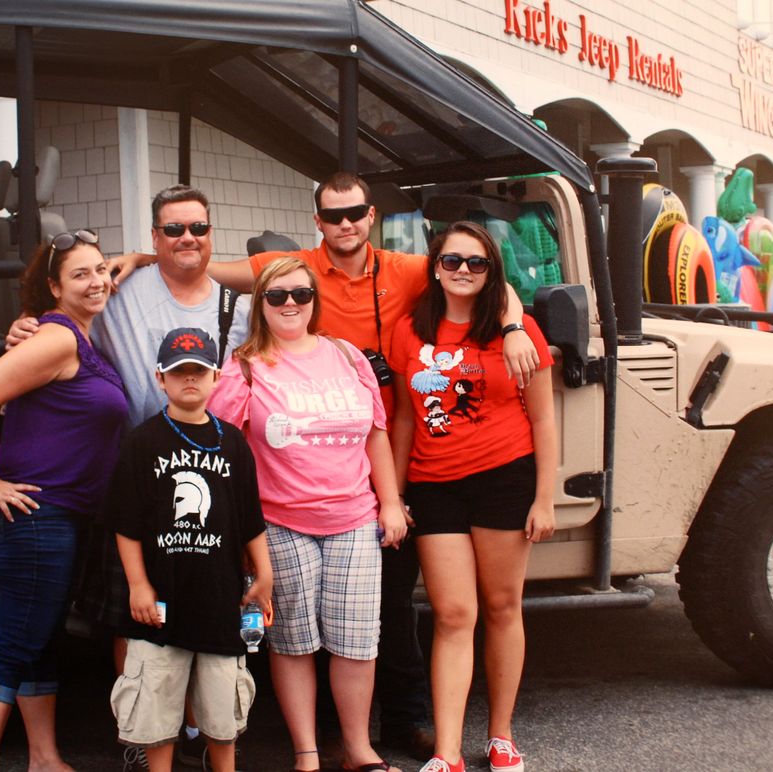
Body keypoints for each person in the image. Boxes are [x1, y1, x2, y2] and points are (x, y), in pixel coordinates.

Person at [112, 171, 541, 758]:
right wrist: (141, 255)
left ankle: (400, 727)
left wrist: (515, 324)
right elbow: (205, 269)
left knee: (385, 615)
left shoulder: (410, 270)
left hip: (380, 477)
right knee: (309, 633)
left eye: (355, 213)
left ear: (371, 217)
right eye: (333, 216)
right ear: (318, 222)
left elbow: (474, 272)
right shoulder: (285, 283)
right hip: (321, 497)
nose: (345, 224)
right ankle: (306, 745)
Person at [7, 185, 249, 768]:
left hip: (210, 476)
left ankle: (192, 729)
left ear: (211, 233)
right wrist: (27, 327)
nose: (186, 238)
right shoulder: (119, 289)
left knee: (203, 608)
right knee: (133, 614)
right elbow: (71, 304)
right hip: (140, 473)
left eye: (197, 227)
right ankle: (139, 737)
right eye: (172, 230)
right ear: (154, 237)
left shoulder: (235, 311)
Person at [208, 257, 407, 772]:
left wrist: (389, 502)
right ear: (260, 305)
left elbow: (377, 435)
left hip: (356, 518)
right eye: (276, 296)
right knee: (293, 640)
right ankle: (307, 753)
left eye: (300, 293)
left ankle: (358, 750)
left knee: (357, 641)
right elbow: (220, 450)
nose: (290, 303)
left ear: (315, 300)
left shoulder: (346, 356)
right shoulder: (245, 366)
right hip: (281, 522)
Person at [387, 221, 557, 772]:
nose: (463, 270)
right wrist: (394, 492)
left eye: (476, 263)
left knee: (504, 607)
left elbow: (545, 418)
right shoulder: (411, 331)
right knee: (453, 613)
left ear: (491, 272)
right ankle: (448, 752)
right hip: (435, 485)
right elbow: (406, 418)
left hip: (505, 478)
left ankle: (502, 736)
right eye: (453, 260)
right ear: (435, 266)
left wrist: (545, 499)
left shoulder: (516, 329)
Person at [0, 229, 127, 772]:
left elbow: (125, 267)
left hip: (63, 514)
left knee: (40, 636)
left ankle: (43, 758)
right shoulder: (57, 338)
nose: (97, 281)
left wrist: (141, 256)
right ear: (54, 287)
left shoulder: (77, 335)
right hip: (36, 513)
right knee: (16, 640)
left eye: (101, 269)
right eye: (80, 274)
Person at [105, 327, 272, 772]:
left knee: (223, 716)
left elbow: (250, 519)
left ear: (217, 377)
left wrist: (265, 576)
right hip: (158, 603)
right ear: (161, 379)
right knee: (156, 713)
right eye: (179, 373)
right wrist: (138, 585)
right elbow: (126, 525)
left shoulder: (233, 443)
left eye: (199, 371)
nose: (189, 380)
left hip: (220, 601)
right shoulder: (142, 443)